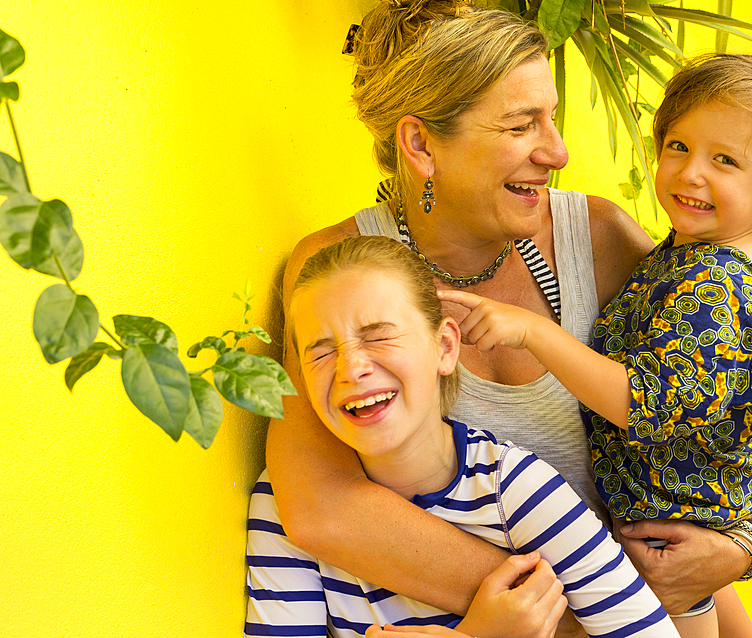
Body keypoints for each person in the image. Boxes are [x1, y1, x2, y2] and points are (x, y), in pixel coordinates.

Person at [265, 0, 752, 637]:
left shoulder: (601, 241)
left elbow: (698, 430)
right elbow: (320, 506)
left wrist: (741, 543)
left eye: (549, 118)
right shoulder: (336, 272)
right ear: (420, 145)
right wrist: (543, 617)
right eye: (521, 125)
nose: (557, 151)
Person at [438, 53, 752, 638]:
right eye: (678, 146)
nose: (689, 174)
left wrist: (535, 332)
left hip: (668, 542)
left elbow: (642, 402)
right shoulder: (689, 257)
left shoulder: (716, 286)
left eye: (724, 161)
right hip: (661, 524)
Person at [245, 236, 678, 638]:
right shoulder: (280, 501)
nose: (350, 367)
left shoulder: (517, 490)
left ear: (445, 348)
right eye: (321, 351)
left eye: (379, 336)